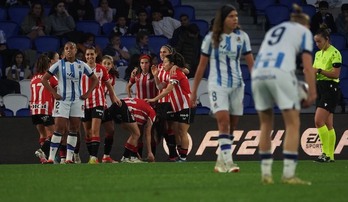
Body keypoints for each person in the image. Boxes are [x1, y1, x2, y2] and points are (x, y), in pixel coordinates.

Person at [252, 5, 316, 185]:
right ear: (306, 24)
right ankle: (288, 175)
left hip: (258, 74)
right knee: (293, 123)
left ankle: (266, 174)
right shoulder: (304, 32)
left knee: (265, 123)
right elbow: (307, 67)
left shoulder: (274, 30)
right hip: (280, 72)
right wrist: (312, 92)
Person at [190, 5, 254, 172]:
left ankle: (220, 160)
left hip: (238, 85)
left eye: (236, 16)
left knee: (232, 126)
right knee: (223, 122)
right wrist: (193, 91)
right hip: (217, 85)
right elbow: (201, 66)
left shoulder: (242, 37)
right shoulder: (211, 39)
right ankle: (229, 162)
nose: (235, 19)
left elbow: (251, 64)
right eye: (231, 16)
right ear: (223, 19)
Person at [41, 41, 99, 164]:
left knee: (74, 128)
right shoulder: (58, 64)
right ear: (64, 51)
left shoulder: (82, 65)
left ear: (75, 50)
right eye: (66, 48)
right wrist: (53, 93)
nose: (69, 50)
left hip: (77, 100)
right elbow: (44, 79)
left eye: (71, 48)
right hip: (62, 100)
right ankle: (51, 158)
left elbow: (95, 79)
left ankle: (68, 158)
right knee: (59, 128)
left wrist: (87, 93)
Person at [147, 53, 194, 162]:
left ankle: (183, 158)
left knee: (182, 131)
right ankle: (179, 157)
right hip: (177, 106)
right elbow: (160, 87)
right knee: (177, 132)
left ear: (172, 64)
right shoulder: (169, 74)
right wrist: (155, 75)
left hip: (186, 105)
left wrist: (154, 99)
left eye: (165, 62)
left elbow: (168, 90)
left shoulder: (176, 73)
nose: (163, 64)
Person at [81, 47, 120, 164]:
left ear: (96, 55)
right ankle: (92, 157)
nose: (89, 57)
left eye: (92, 54)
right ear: (85, 55)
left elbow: (109, 87)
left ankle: (96, 157)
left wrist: (115, 99)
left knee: (99, 130)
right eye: (87, 54)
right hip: (84, 104)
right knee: (87, 132)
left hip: (99, 103)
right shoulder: (80, 68)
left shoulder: (102, 70)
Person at [313, 25, 342, 163]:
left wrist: (319, 71)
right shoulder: (318, 54)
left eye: (319, 41)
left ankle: (324, 153)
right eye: (315, 42)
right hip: (321, 88)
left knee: (318, 121)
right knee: (329, 124)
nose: (317, 44)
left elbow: (335, 74)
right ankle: (330, 156)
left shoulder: (335, 53)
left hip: (331, 88)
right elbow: (314, 71)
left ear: (327, 39)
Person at [31, 54, 58, 163]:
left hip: (34, 109)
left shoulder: (33, 78)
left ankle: (43, 159)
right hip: (45, 109)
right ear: (48, 64)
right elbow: (57, 91)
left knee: (43, 134)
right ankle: (42, 151)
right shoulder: (50, 77)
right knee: (54, 134)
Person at [122, 97, 157, 162]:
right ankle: (126, 157)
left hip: (119, 104)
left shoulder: (142, 111)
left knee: (135, 134)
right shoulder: (152, 113)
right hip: (125, 108)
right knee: (136, 134)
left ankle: (133, 156)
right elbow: (148, 133)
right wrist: (149, 152)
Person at [100, 55, 119, 163]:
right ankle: (75, 156)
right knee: (91, 132)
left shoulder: (112, 77)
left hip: (104, 105)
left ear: (112, 65)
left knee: (111, 130)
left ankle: (106, 156)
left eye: (109, 64)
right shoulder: (96, 74)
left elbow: (111, 94)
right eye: (105, 63)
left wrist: (116, 106)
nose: (106, 66)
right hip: (92, 105)